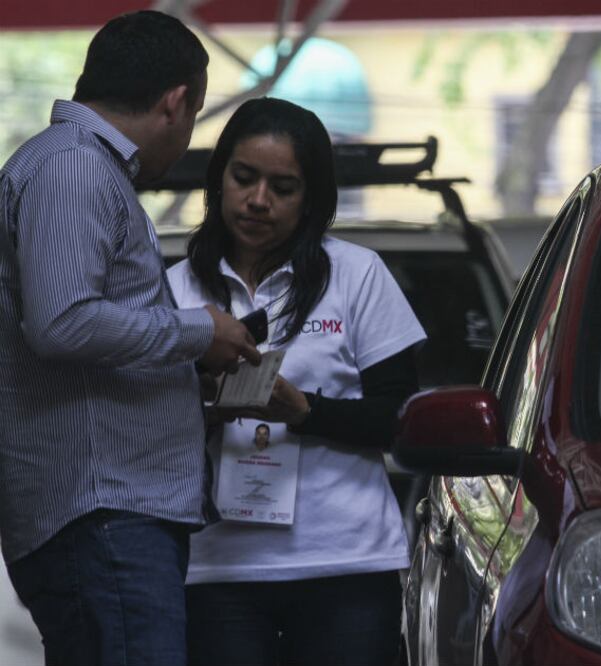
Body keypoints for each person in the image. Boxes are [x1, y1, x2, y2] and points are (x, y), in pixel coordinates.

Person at [0, 10, 262, 666]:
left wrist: (185, 375)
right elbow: (62, 322)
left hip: (110, 512)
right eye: (194, 115)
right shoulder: (72, 168)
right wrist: (198, 331)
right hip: (101, 511)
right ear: (176, 102)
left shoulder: (80, 166)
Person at [168, 97, 426, 666]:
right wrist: (203, 408)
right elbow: (133, 430)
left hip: (346, 565)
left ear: (311, 199)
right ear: (218, 179)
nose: (258, 200)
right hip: (216, 569)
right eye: (244, 178)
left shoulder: (356, 275)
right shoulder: (176, 289)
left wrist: (306, 411)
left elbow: (401, 420)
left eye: (282, 187)